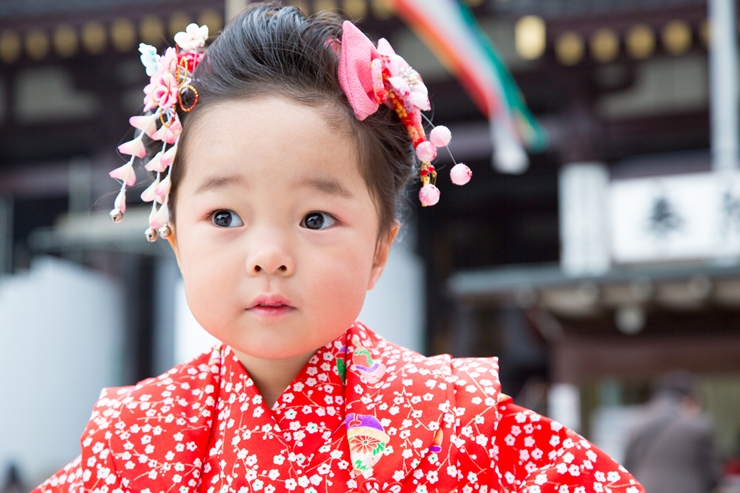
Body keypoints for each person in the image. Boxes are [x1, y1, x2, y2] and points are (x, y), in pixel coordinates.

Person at [34, 4, 645, 492]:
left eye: (316, 218)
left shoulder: (452, 422)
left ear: (381, 248)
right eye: (225, 215)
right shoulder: (137, 438)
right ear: (173, 237)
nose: (269, 255)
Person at [624, 371, 721, 493]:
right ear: (690, 399)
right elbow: (712, 475)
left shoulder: (638, 424)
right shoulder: (699, 426)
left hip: (645, 489)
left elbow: (627, 468)